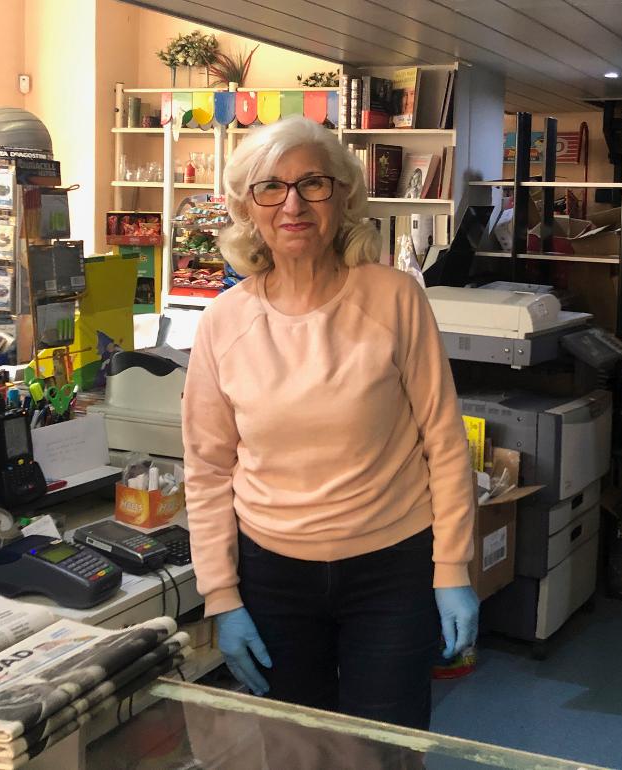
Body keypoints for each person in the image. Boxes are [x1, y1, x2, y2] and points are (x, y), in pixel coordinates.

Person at [182, 115, 477, 731]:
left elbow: (444, 444)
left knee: (383, 750)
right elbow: (208, 471)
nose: (293, 203)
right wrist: (221, 596)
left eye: (313, 183)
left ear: (343, 196)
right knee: (296, 750)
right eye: (272, 187)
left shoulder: (395, 298)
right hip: (272, 577)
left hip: (392, 572)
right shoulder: (223, 323)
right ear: (246, 205)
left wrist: (451, 570)